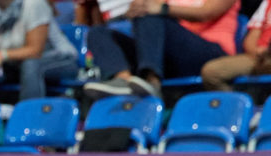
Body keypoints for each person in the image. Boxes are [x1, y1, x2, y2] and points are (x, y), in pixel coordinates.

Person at [82, 0, 237, 97]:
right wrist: (134, 10)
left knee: (151, 15)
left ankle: (152, 80)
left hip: (210, 53)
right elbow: (150, 6)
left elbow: (206, 13)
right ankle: (123, 79)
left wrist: (162, 9)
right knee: (98, 32)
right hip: (170, 55)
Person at [0, 0, 78, 100]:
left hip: (59, 59)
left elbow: (35, 51)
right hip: (13, 63)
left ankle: (28, 116)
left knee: (31, 65)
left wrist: (1, 55)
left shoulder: (34, 4)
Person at [200, 0, 270, 89]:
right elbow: (252, 37)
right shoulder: (267, 2)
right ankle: (238, 102)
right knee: (211, 72)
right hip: (259, 57)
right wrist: (258, 52)